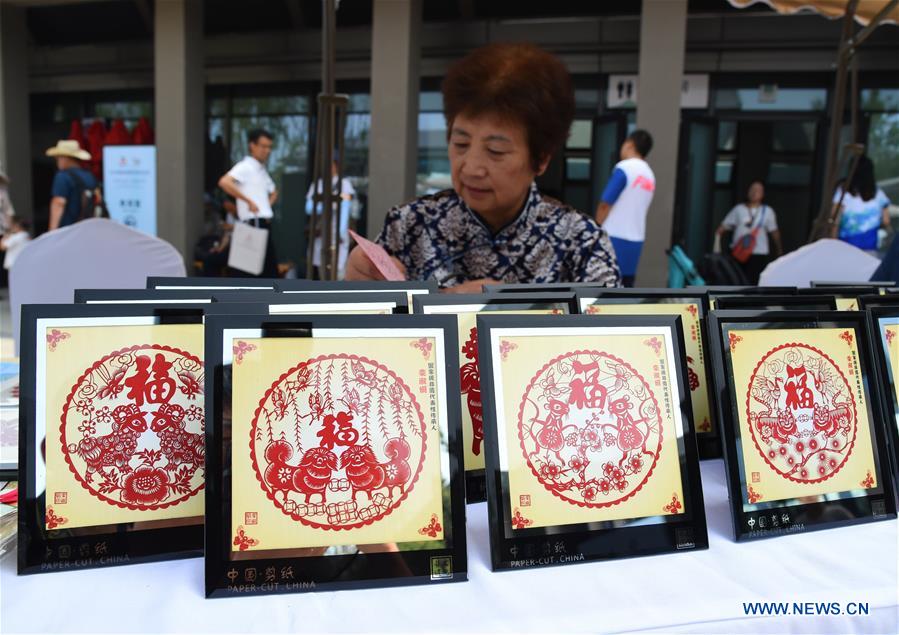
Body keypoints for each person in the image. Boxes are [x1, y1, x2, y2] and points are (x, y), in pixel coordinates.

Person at [345, 42, 620, 291]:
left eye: (495, 150)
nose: (472, 168)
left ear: (541, 159)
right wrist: (356, 289)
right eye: (461, 143)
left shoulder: (581, 242)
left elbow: (610, 340)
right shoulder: (409, 226)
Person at [595, 129, 655, 287]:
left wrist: (596, 230)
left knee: (603, 285)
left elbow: (605, 203)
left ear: (629, 144)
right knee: (626, 287)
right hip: (636, 238)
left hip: (613, 236)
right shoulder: (650, 175)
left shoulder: (625, 168)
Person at [217, 129, 278, 277]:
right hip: (251, 224)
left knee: (267, 272)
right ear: (252, 145)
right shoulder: (246, 166)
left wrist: (265, 206)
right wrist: (248, 201)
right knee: (247, 273)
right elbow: (224, 182)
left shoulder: (261, 170)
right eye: (263, 146)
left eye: (269, 147)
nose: (267, 151)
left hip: (263, 222)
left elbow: (275, 191)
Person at [715, 181, 783, 284]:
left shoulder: (768, 211)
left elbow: (774, 231)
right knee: (737, 281)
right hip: (739, 252)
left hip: (759, 253)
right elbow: (723, 227)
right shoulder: (738, 209)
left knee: (755, 282)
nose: (754, 192)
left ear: (763, 194)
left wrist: (779, 250)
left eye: (758, 190)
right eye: (752, 190)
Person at [306, 158, 356, 278]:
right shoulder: (317, 185)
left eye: (331, 165)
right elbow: (308, 208)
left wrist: (341, 233)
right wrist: (325, 205)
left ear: (336, 166)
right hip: (321, 235)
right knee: (323, 272)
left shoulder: (344, 184)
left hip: (338, 236)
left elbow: (346, 208)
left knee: (338, 272)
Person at [831, 156, 892, 253]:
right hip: (869, 247)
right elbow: (886, 221)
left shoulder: (843, 191)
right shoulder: (878, 194)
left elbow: (834, 220)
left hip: (845, 246)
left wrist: (832, 244)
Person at [45, 139, 97, 231]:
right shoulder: (89, 176)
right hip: (87, 228)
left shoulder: (62, 176)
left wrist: (52, 231)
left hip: (68, 230)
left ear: (66, 158)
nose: (57, 161)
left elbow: (59, 203)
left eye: (58, 157)